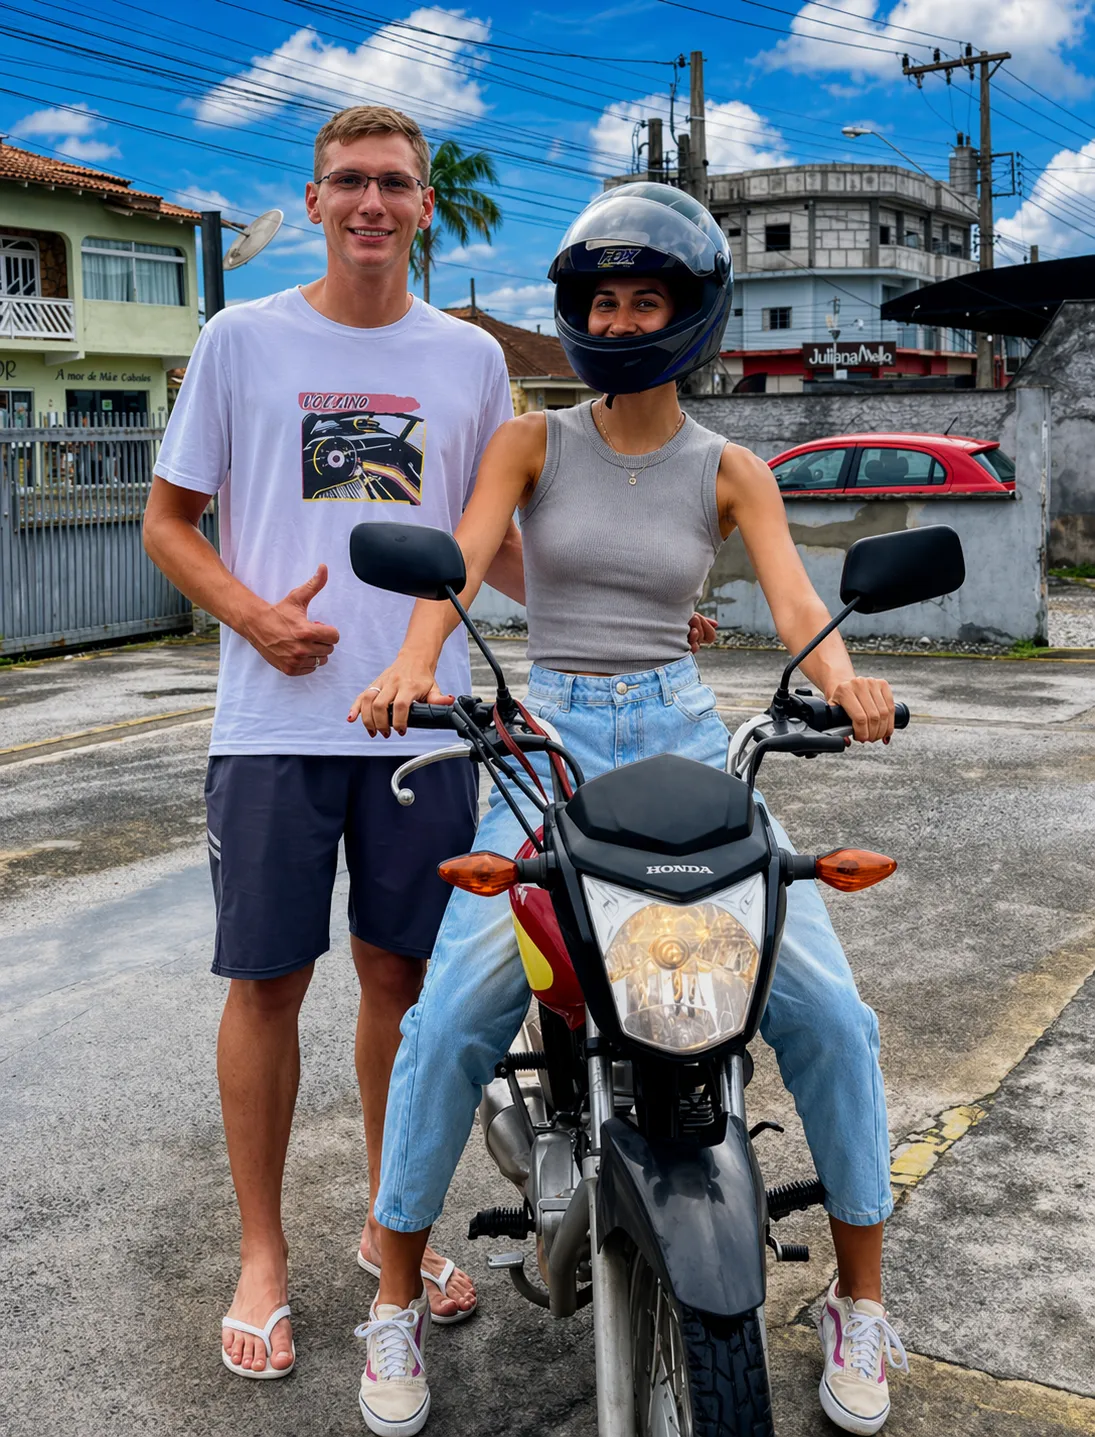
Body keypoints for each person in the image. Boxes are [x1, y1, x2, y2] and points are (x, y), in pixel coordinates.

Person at [348, 183, 909, 1437]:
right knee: (453, 1014)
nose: (617, 318)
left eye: (644, 298)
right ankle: (392, 1298)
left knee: (827, 1009)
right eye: (601, 299)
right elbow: (456, 567)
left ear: (690, 313)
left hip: (682, 741)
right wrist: (412, 667)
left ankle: (862, 1299)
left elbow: (797, 604)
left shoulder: (731, 469)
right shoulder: (532, 443)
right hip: (545, 743)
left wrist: (844, 681)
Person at [142, 103, 529, 1378]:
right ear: (313, 201)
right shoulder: (241, 339)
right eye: (349, 181)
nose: (372, 202)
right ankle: (261, 1254)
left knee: (403, 989)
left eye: (395, 183)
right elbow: (168, 523)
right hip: (274, 727)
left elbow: (490, 540)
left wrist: (625, 609)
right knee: (267, 984)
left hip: (425, 726)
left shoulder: (470, 359)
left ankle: (387, 1222)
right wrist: (256, 618)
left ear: (425, 205)